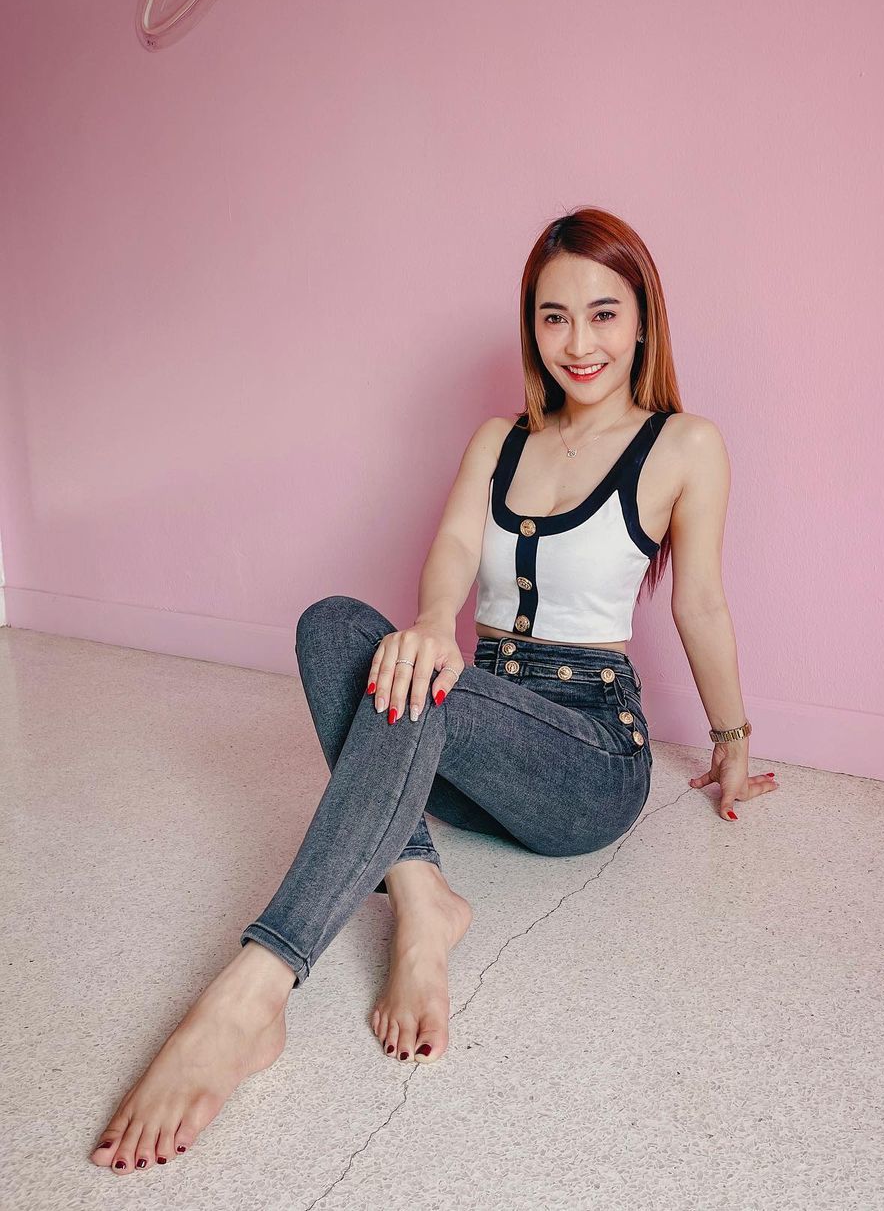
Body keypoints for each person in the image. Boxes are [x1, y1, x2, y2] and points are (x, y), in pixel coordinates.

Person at [89, 207, 778, 1175]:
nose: (579, 342)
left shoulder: (685, 445)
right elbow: (455, 545)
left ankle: (255, 988)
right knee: (333, 623)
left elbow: (699, 604)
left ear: (642, 321)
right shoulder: (500, 438)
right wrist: (430, 624)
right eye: (553, 317)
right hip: (467, 731)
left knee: (425, 689)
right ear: (530, 327)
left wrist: (732, 742)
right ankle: (421, 896)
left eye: (603, 313)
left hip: (587, 759)